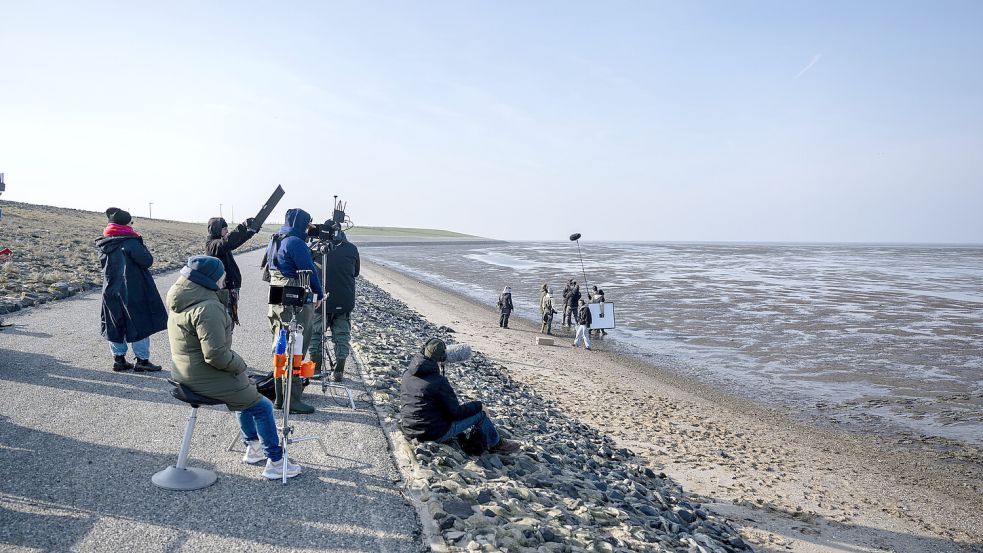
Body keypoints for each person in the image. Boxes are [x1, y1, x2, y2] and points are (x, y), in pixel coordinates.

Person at [166, 256, 300, 480]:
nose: (225, 279)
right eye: (222, 275)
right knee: (262, 406)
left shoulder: (181, 298)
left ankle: (253, 447)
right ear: (210, 279)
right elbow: (216, 355)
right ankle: (276, 461)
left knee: (244, 395)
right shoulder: (208, 307)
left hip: (184, 371)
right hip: (202, 375)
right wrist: (240, 366)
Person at [399, 338, 520, 454]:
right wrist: (479, 405)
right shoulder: (439, 381)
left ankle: (482, 438)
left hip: (409, 429)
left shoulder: (407, 374)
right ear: (442, 358)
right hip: (431, 434)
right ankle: (496, 444)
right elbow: (456, 413)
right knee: (481, 415)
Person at [263, 208, 324, 414]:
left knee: (280, 347)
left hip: (276, 297)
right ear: (301, 224)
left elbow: (267, 267)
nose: (309, 229)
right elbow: (310, 272)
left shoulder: (275, 239)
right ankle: (293, 400)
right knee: (296, 347)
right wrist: (319, 294)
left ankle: (280, 398)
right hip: (294, 299)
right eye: (307, 224)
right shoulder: (296, 243)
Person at [96, 207, 167, 372]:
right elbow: (147, 260)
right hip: (132, 288)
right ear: (126, 224)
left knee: (114, 322)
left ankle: (119, 359)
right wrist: (140, 242)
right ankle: (142, 360)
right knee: (139, 322)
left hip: (110, 289)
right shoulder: (130, 242)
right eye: (131, 222)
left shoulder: (103, 244)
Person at [310, 230, 360, 382]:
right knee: (342, 336)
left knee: (316, 335)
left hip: (320, 300)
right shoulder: (352, 249)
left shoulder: (315, 247)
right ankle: (339, 371)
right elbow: (356, 273)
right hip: (344, 301)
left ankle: (316, 368)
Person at [204, 216, 259, 327]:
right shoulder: (212, 245)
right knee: (225, 325)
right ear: (216, 229)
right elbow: (229, 242)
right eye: (225, 229)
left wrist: (250, 232)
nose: (227, 231)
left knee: (229, 325)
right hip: (223, 293)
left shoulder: (221, 244)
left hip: (230, 291)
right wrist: (243, 227)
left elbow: (234, 243)